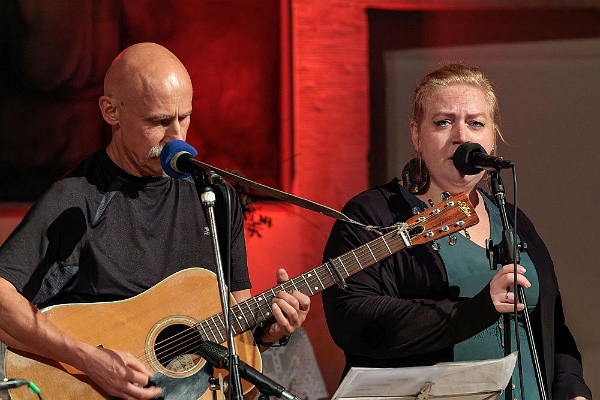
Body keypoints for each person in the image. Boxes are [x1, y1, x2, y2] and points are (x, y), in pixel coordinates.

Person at [0, 42, 310, 400]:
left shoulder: (215, 197)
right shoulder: (77, 198)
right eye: (159, 122)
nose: (176, 137)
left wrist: (270, 332)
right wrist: (90, 359)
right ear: (111, 111)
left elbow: (234, 333)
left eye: (185, 117)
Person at [322, 63, 590, 400]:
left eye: (476, 123)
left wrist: (572, 389)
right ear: (416, 135)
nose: (462, 136)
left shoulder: (513, 220)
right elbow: (354, 319)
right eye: (443, 122)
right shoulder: (374, 214)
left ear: (492, 138)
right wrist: (475, 310)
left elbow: (553, 330)